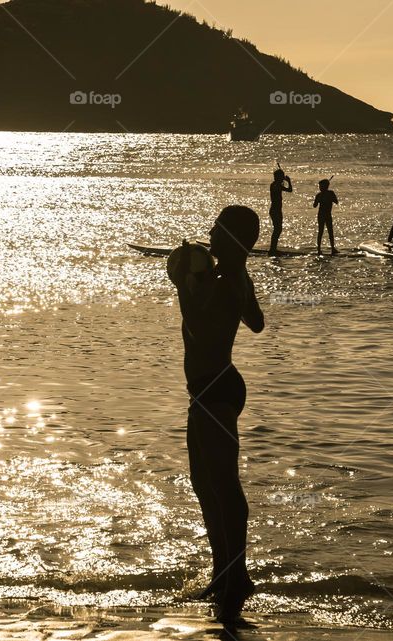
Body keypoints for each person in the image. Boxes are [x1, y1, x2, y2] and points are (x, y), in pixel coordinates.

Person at [168, 206, 265, 626]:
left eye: (216, 232)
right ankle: (223, 570)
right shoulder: (235, 279)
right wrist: (212, 284)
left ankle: (236, 574)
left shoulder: (225, 282)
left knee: (224, 484)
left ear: (232, 240)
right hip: (211, 388)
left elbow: (200, 325)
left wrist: (183, 287)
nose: (209, 236)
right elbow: (257, 323)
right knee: (204, 483)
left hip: (216, 390)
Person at [268, 168, 293, 256]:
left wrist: (288, 181)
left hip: (277, 210)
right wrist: (286, 181)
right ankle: (272, 249)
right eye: (281, 176)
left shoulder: (277, 184)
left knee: (278, 229)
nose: (283, 178)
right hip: (275, 210)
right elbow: (285, 189)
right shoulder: (275, 185)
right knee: (277, 229)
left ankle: (273, 248)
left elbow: (290, 190)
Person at [312, 178, 339, 255]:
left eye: (321, 186)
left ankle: (332, 248)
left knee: (330, 231)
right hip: (321, 215)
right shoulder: (320, 195)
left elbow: (336, 201)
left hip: (327, 215)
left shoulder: (330, 193)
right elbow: (314, 205)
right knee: (321, 231)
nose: (320, 188)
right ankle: (319, 249)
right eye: (319, 187)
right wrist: (318, 199)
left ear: (326, 186)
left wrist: (328, 198)